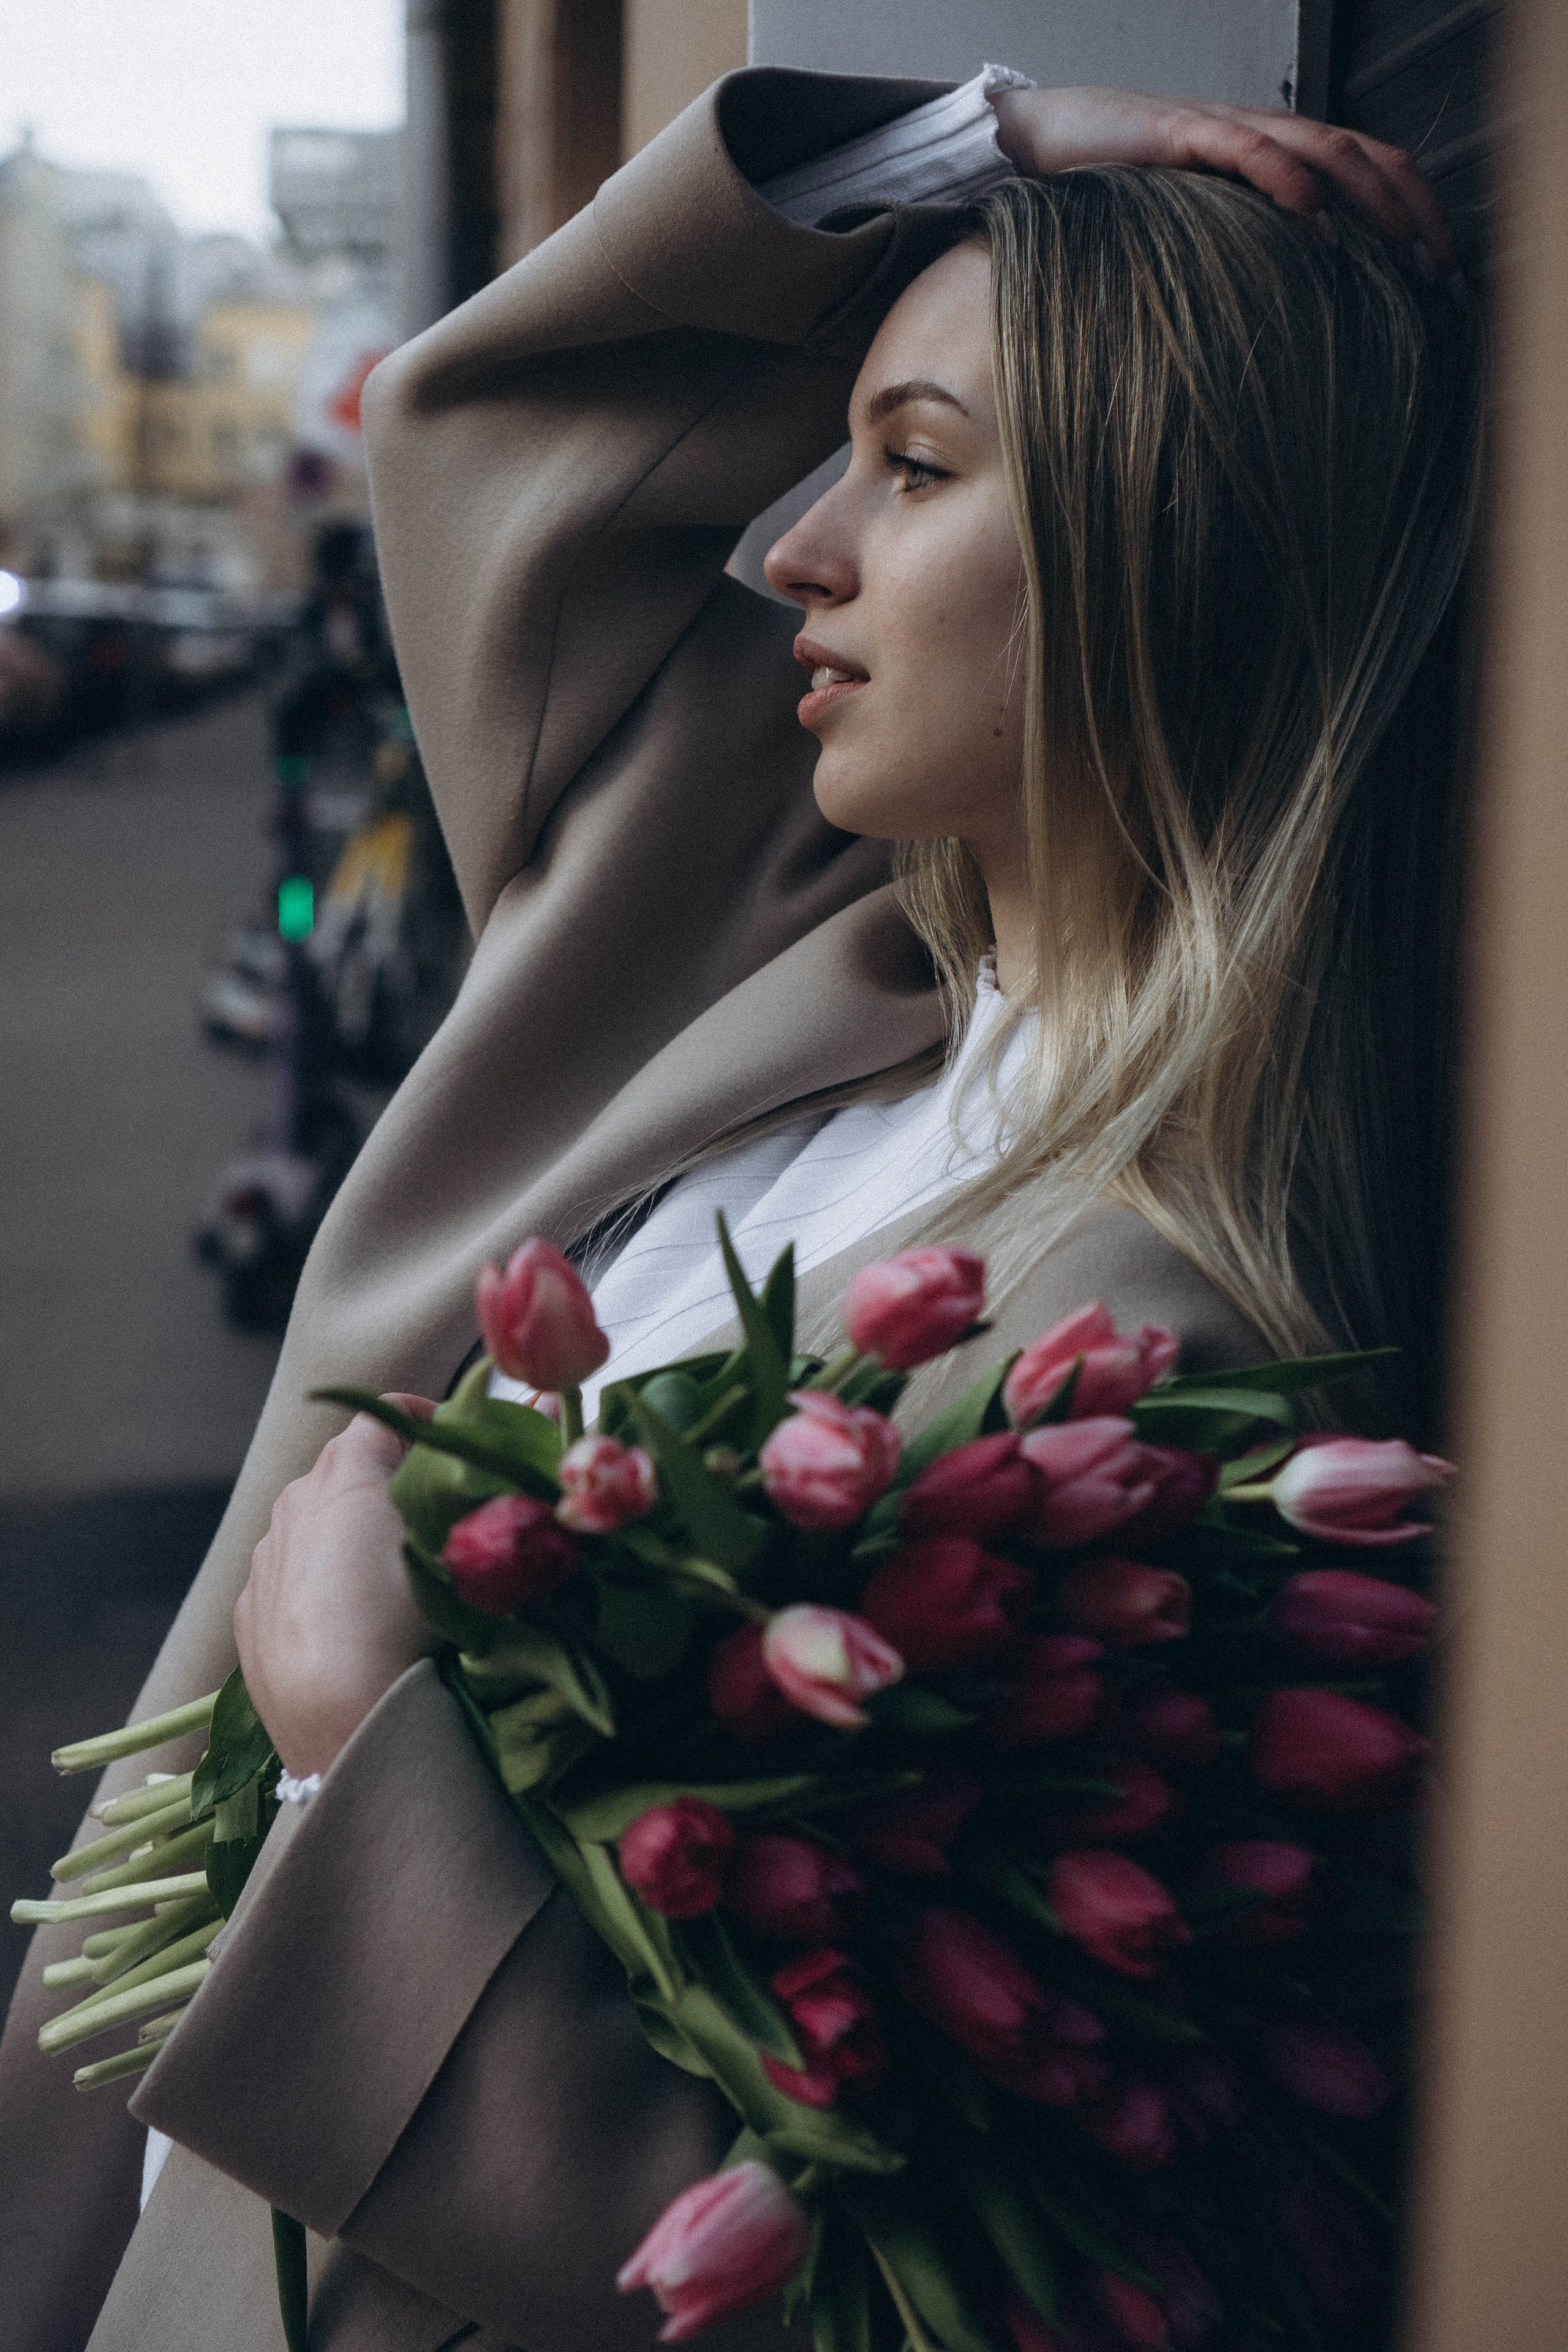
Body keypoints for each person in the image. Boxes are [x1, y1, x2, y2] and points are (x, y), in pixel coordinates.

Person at [0, 65, 1472, 2352]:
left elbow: (867, 2266)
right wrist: (974, 141)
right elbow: (487, 442)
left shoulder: (1156, 1349)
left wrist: (354, 1745)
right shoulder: (792, 962)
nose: (798, 544)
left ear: (1167, 535)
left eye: (915, 466)